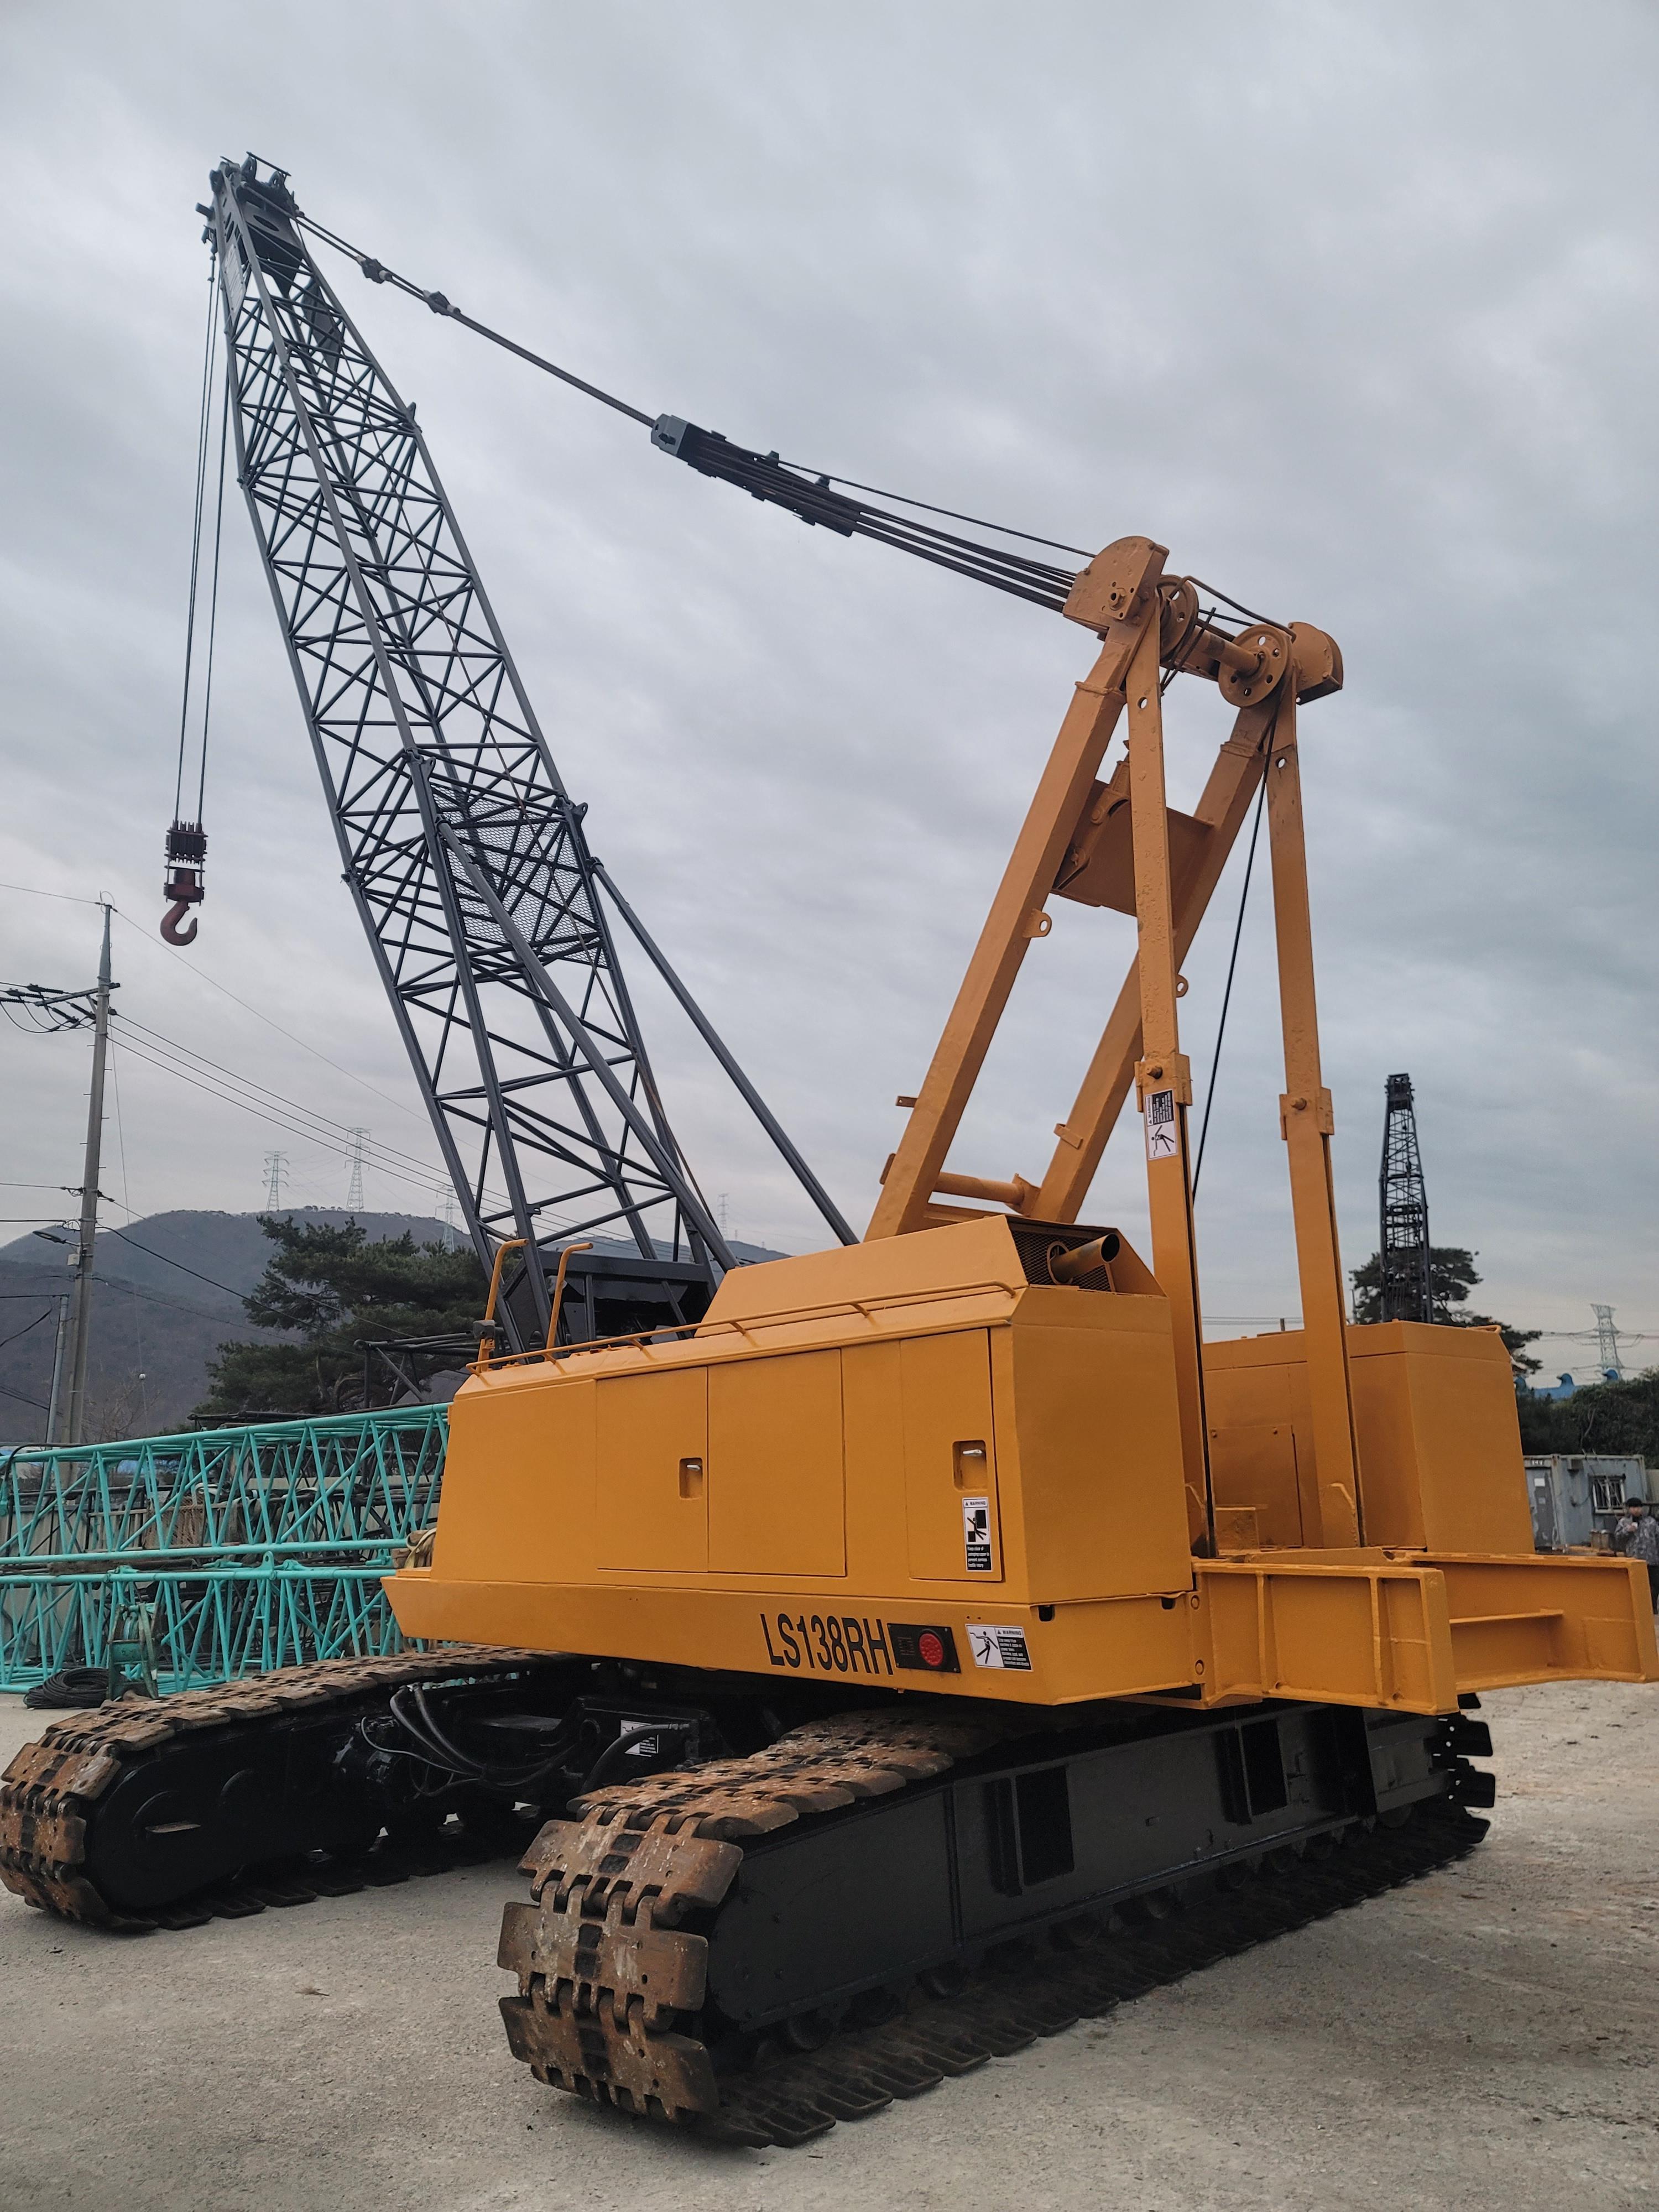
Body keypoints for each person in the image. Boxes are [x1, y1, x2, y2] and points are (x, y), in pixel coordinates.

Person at [1613, 1499, 1659, 1609]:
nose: (1636, 1510)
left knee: (1655, 1585)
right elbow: (1618, 1538)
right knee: (1638, 1586)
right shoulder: (1624, 1522)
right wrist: (1627, 1531)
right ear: (1629, 1509)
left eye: (1638, 1507)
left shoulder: (1650, 1522)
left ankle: (1653, 1608)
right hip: (1634, 1560)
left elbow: (1657, 1537)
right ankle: (1640, 1608)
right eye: (1633, 1508)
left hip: (1651, 1559)